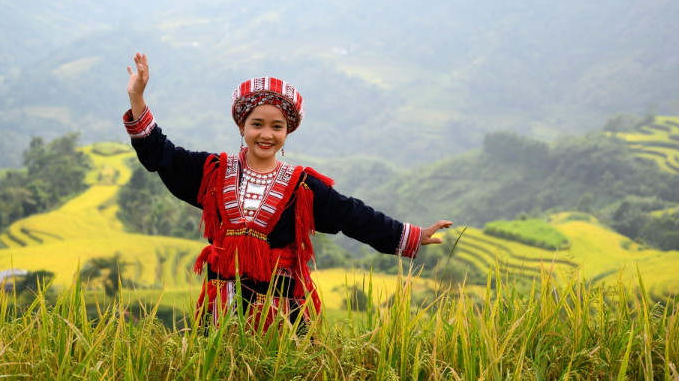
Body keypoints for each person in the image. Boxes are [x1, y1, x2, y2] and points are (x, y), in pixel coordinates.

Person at [124, 52, 452, 327]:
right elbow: (161, 155)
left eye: (276, 126)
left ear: (287, 132)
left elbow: (353, 216)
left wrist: (411, 235)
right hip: (221, 313)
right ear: (242, 126)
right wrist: (137, 98)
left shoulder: (302, 187)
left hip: (282, 315)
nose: (266, 134)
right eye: (257, 124)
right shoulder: (213, 171)